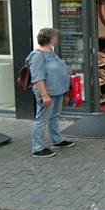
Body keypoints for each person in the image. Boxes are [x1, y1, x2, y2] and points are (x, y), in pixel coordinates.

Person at [27, 28, 75, 158]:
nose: (57, 39)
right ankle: (37, 148)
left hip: (58, 91)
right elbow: (37, 78)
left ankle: (57, 140)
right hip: (47, 93)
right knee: (42, 119)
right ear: (49, 39)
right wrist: (44, 95)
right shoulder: (37, 55)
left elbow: (56, 68)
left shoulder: (51, 52)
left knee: (54, 116)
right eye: (55, 37)